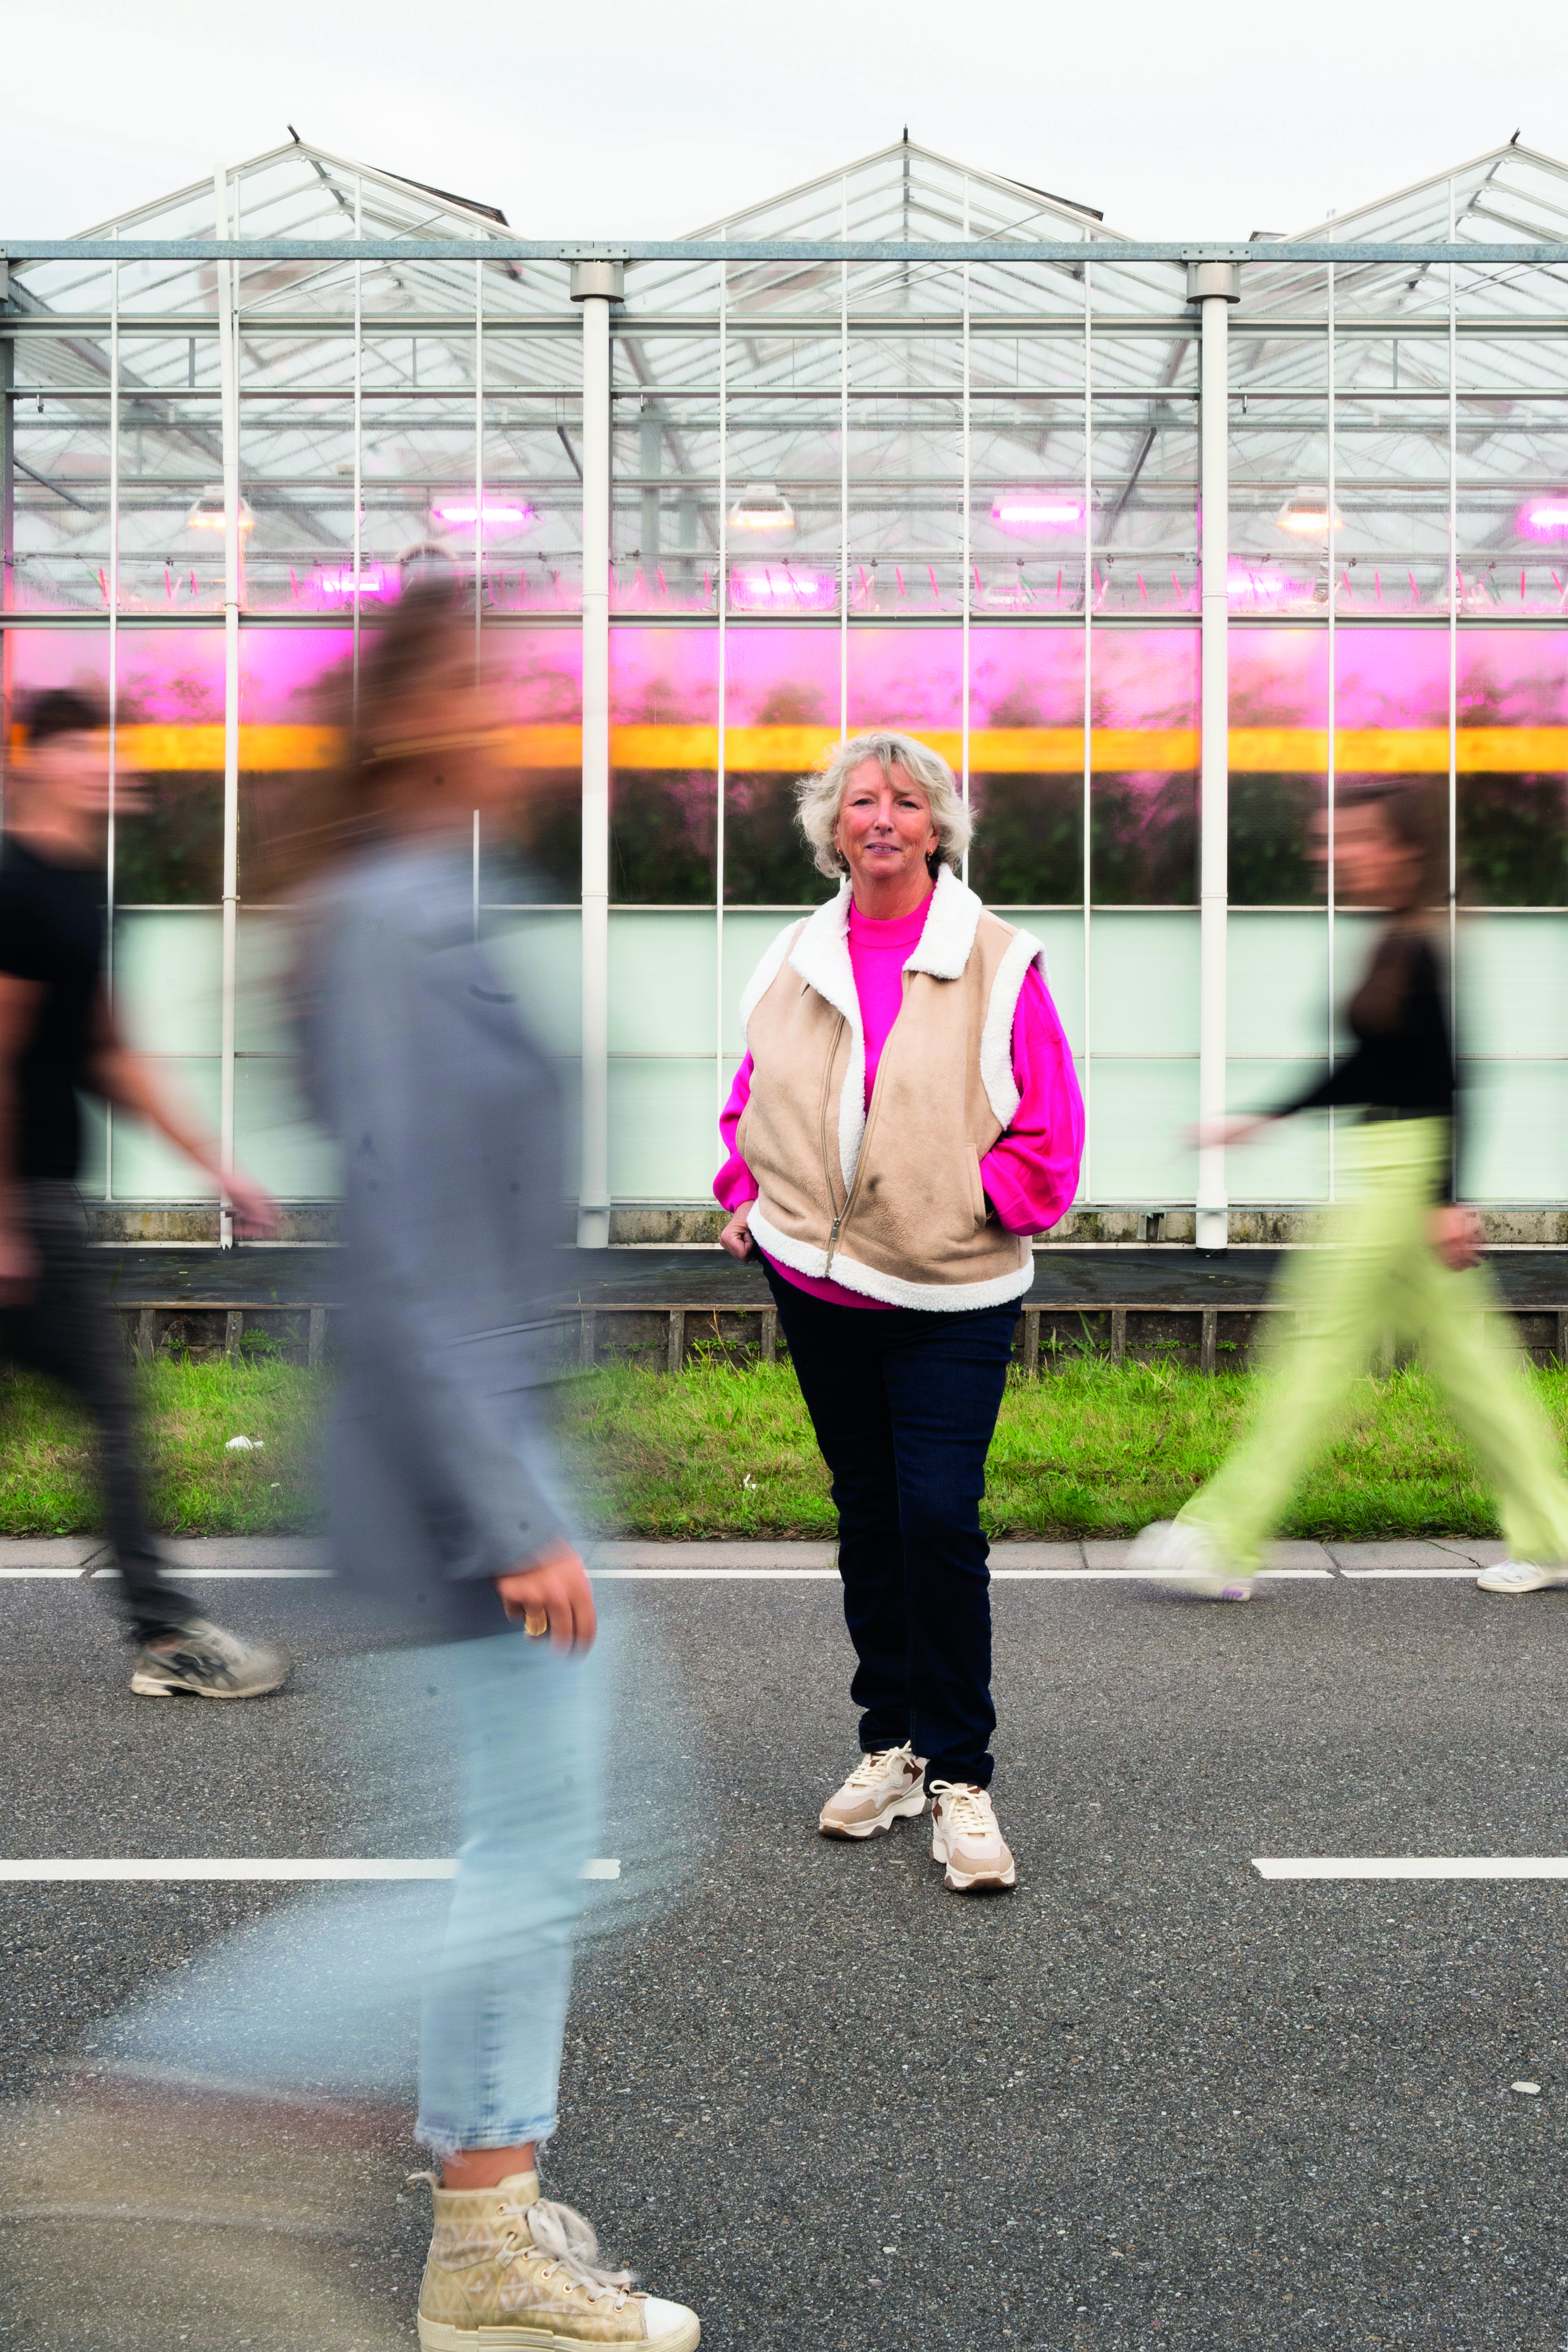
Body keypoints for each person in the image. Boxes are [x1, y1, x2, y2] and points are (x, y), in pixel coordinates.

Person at [298, 585, 699, 2351]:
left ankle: (487, 2206)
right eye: (491, 681)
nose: (523, 711)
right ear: (408, 717)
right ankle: (171, 2100)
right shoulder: (388, 920)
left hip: (494, 1429)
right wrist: (510, 1500)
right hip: (469, 1449)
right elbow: (404, 1237)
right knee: (551, 1849)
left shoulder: (431, 907)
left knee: (531, 1844)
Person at [716, 730, 1084, 1893]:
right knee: (869, 1516)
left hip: (949, 1290)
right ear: (833, 828)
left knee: (938, 1520)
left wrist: (975, 1206)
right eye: (860, 801)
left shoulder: (996, 958)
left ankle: (964, 1777)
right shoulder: (794, 952)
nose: (882, 818)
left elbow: (1049, 1129)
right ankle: (893, 1746)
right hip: (818, 1281)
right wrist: (745, 1193)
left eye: (907, 802)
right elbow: (754, 1093)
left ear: (938, 828)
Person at [1128, 781, 1568, 1601]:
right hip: (1396, 1167)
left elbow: (1446, 1077)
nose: (1329, 854)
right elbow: (1374, 1066)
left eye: (1351, 839)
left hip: (1401, 1180)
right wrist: (1264, 1117)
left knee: (1315, 1354)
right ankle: (1552, 1534)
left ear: (1402, 850)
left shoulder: (1421, 945)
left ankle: (1224, 1537)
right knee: (1474, 1368)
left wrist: (1444, 1197)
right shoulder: (1399, 939)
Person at [0, 688, 290, 1699]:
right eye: (81, 747)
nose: (104, 765)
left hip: (40, 1197)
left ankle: (163, 1627)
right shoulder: (13, 881)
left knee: (105, 1410)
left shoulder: (85, 890)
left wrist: (216, 1166)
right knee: (115, 1411)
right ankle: (167, 1637)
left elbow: (106, 1053)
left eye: (110, 748)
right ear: (32, 760)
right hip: (20, 1200)